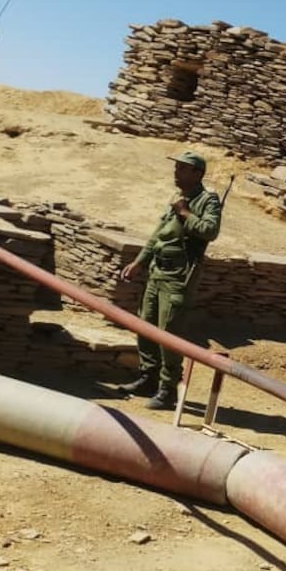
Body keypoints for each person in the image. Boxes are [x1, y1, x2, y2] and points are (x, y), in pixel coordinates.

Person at [118, 152, 223, 409]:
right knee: (146, 326)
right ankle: (148, 377)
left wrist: (186, 213)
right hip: (157, 272)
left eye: (182, 169)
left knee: (169, 334)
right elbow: (159, 235)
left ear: (197, 174)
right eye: (176, 167)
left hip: (178, 277)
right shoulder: (177, 198)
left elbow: (210, 231)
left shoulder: (206, 201)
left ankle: (167, 390)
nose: (176, 172)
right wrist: (139, 262)